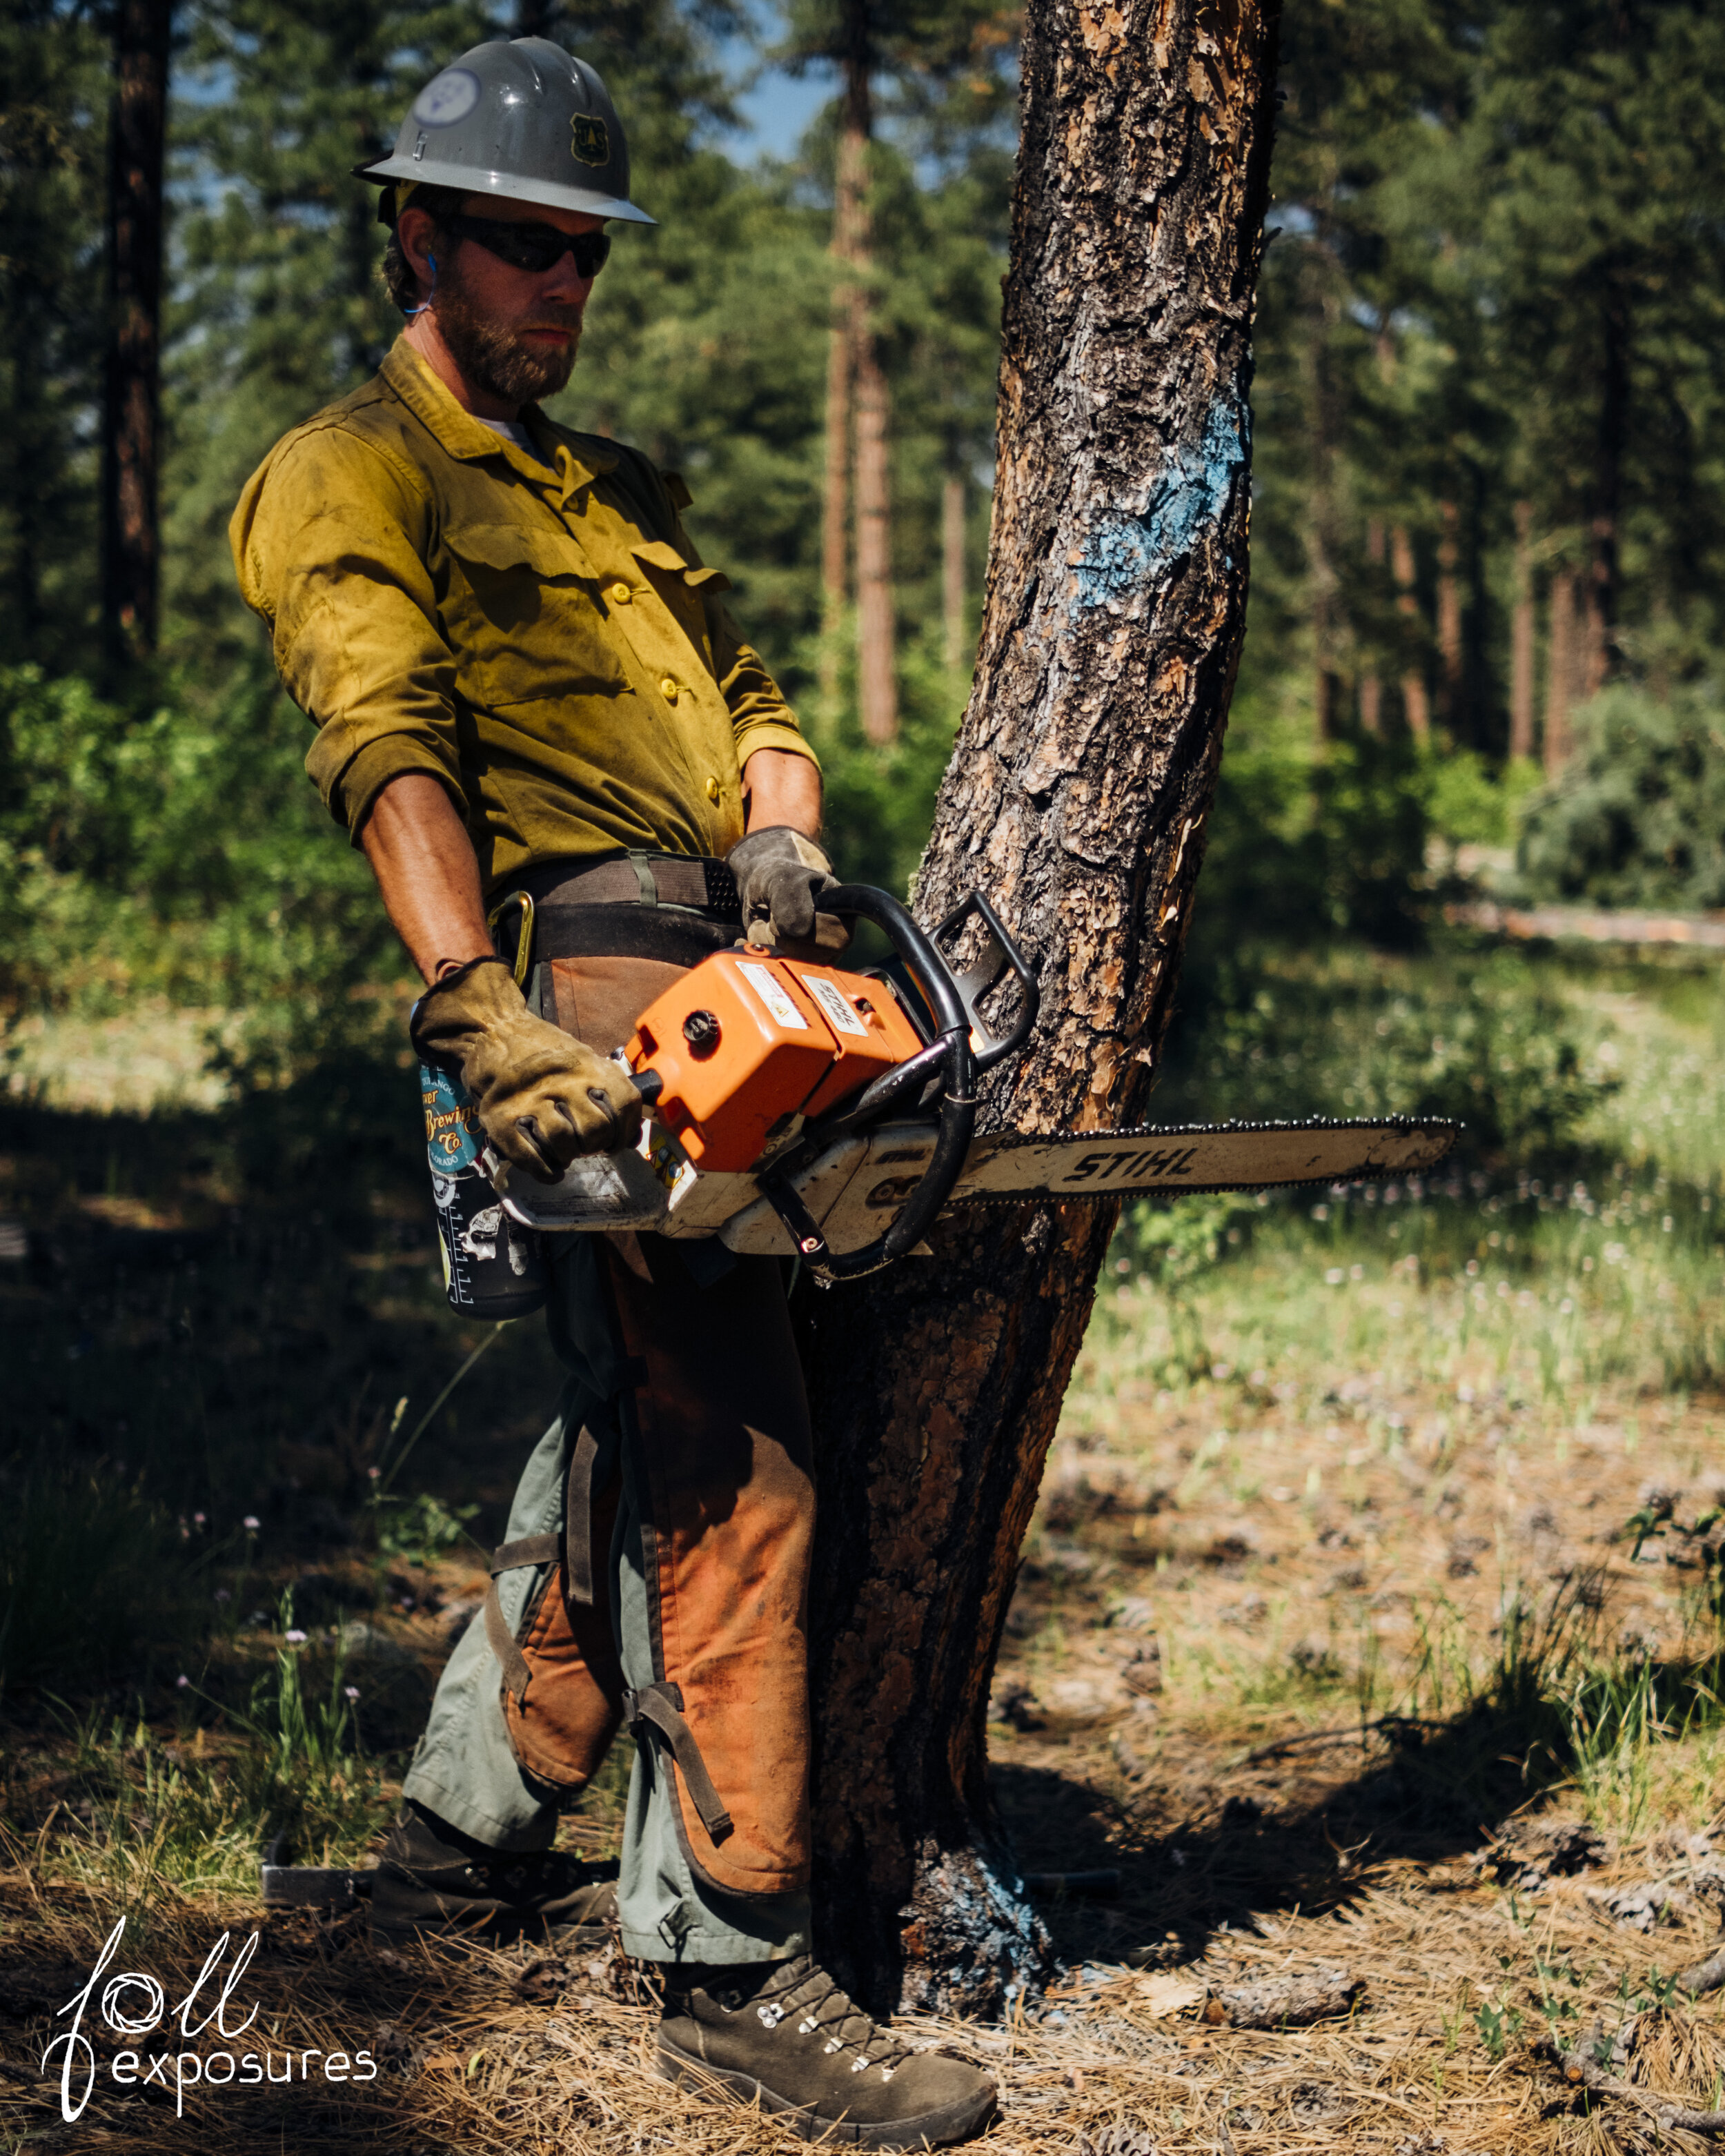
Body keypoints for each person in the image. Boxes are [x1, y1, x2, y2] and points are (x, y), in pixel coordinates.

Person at [229, 35, 995, 2153]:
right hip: (579, 985)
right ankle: (729, 1968)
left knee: (629, 1419)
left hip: (732, 956)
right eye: (518, 248)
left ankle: (462, 1848)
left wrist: (779, 830)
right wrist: (480, 1012)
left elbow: (751, 699)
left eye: (583, 254)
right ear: (417, 232)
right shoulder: (349, 466)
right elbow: (381, 740)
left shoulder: (624, 487)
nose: (558, 289)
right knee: (731, 1450)